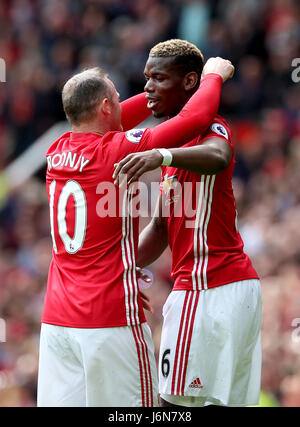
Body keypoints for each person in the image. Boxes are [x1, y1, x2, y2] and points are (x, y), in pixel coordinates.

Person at [37, 57, 234, 406]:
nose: (130, 100)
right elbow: (196, 120)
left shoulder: (57, 150)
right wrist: (212, 77)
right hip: (110, 319)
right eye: (116, 95)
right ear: (105, 106)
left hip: (57, 324)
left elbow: (106, 116)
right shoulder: (114, 150)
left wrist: (162, 89)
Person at [113, 39, 262, 407]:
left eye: (159, 78)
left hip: (208, 286)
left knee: (173, 406)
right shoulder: (175, 146)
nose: (148, 87)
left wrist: (160, 154)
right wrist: (120, 268)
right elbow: (161, 228)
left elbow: (219, 154)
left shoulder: (211, 127)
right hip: (222, 290)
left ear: (191, 82)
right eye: (147, 78)